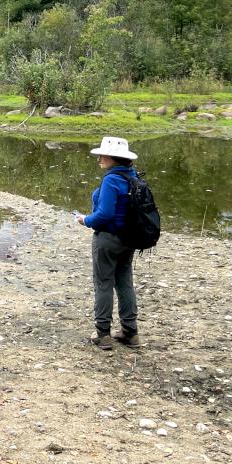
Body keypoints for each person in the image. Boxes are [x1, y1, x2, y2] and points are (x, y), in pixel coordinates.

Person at [74, 136, 141, 350]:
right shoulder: (133, 176)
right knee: (124, 282)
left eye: (102, 155)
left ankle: (103, 334)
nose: (99, 159)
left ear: (114, 157)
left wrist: (85, 220)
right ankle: (131, 333)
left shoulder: (111, 180)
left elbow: (104, 215)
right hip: (129, 238)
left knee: (103, 284)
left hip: (108, 239)